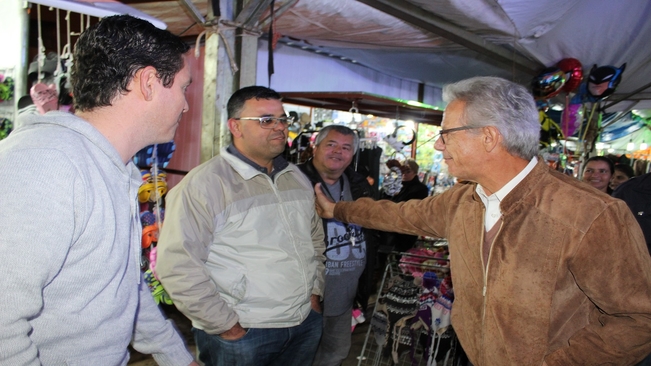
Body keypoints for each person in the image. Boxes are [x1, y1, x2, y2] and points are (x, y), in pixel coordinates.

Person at [313, 76, 651, 365]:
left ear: (489, 137)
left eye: (446, 133)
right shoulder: (466, 199)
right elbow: (400, 214)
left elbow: (638, 320)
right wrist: (337, 210)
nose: (440, 145)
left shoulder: (589, 214)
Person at [0, 15, 197, 365]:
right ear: (149, 82)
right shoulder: (47, 164)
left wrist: (177, 356)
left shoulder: (113, 166)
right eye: (183, 87)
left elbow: (122, 287)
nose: (185, 105)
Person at [156, 86, 326, 366]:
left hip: (303, 322)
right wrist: (226, 326)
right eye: (265, 120)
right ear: (235, 126)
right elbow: (177, 265)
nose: (279, 128)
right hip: (244, 331)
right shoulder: (204, 185)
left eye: (283, 120)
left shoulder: (295, 177)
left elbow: (315, 240)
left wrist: (315, 294)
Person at [296, 125, 378, 366]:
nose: (337, 152)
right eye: (331, 144)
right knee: (300, 358)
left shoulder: (359, 185)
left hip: (344, 299)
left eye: (345, 147)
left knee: (335, 356)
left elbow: (373, 234)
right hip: (303, 300)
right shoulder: (294, 181)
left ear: (352, 155)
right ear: (316, 146)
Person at [380, 158, 430, 253]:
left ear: (415, 172)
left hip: (405, 231)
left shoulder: (420, 188)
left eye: (408, 171)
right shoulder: (394, 185)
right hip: (387, 229)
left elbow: (411, 208)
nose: (404, 174)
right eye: (402, 171)